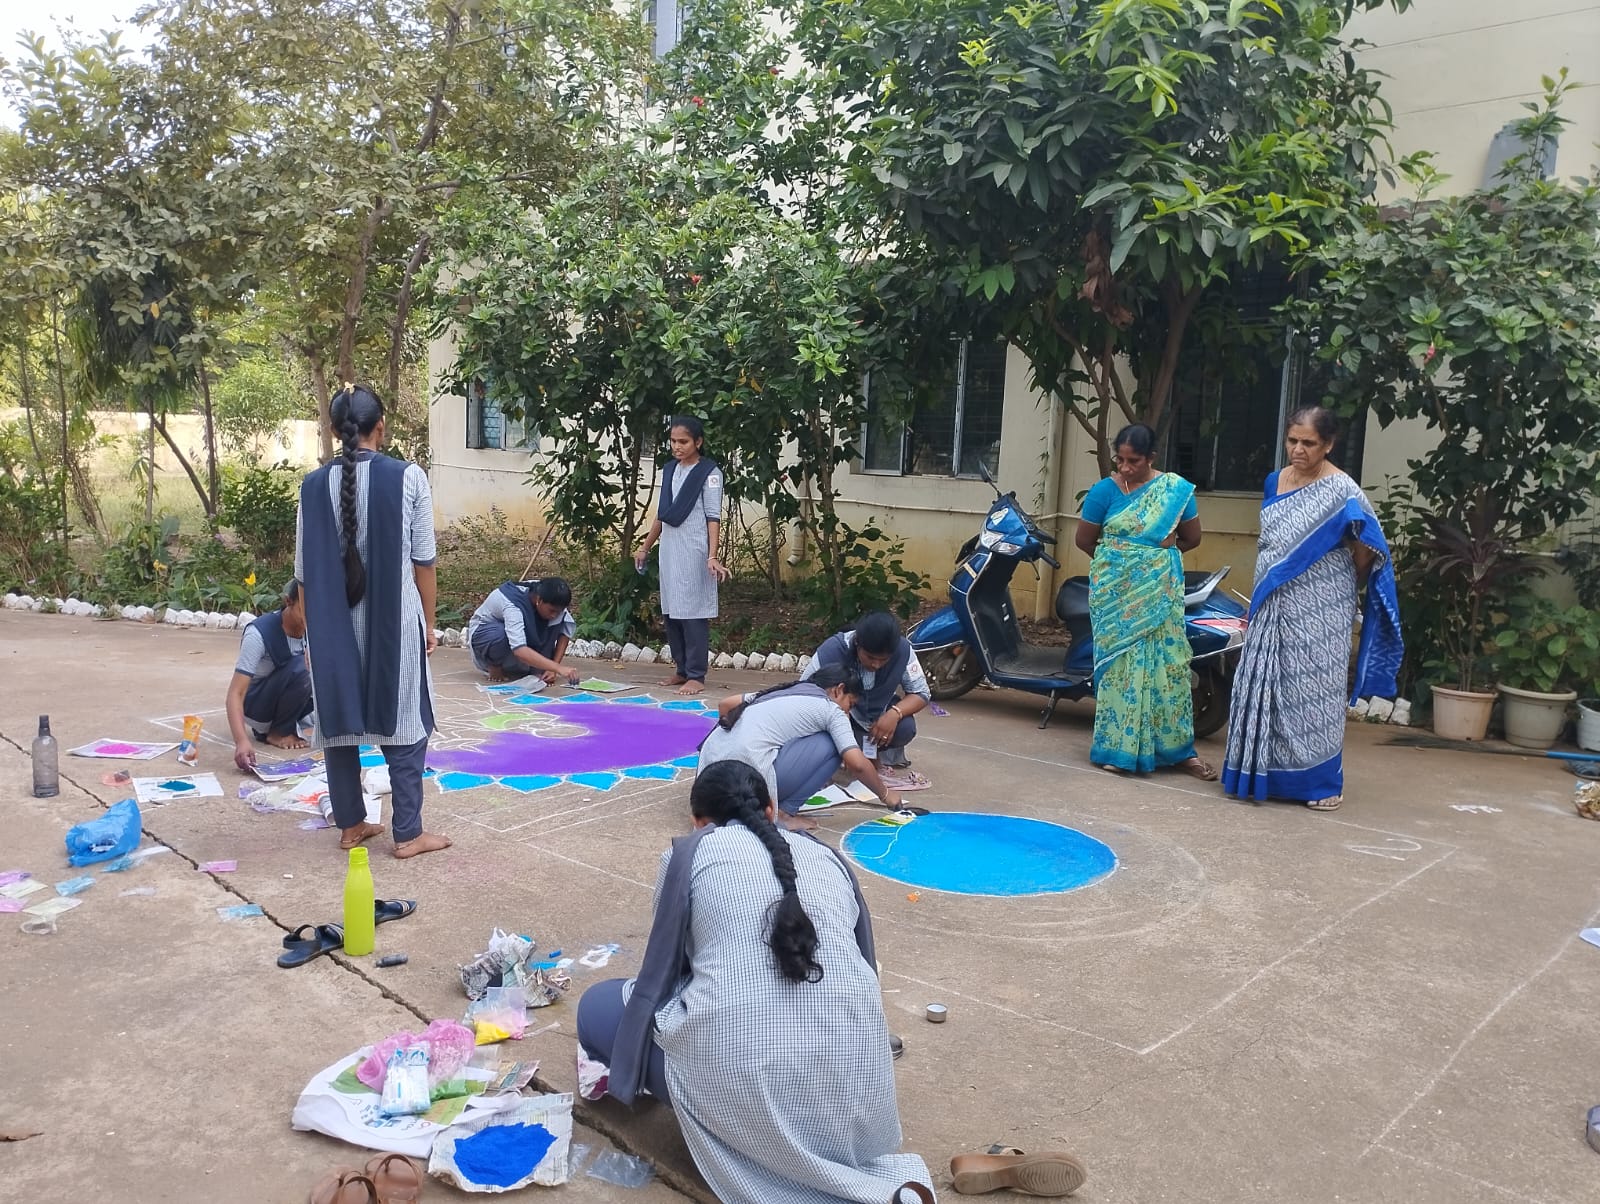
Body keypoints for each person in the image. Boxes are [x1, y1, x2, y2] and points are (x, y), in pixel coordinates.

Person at [574, 759, 936, 1204]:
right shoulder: (829, 857)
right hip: (856, 1090)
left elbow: (665, 975)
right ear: (771, 810)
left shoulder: (688, 855)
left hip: (752, 1078)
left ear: (698, 822)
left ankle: (758, 1137)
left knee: (597, 1008)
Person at [296, 383, 450, 859]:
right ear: (380, 427)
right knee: (405, 721)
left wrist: (313, 635)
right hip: (394, 626)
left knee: (339, 722)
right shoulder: (408, 478)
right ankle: (408, 833)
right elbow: (424, 561)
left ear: (333, 431)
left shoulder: (312, 486)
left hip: (332, 627)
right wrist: (428, 623)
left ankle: (350, 825)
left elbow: (304, 574)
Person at [1222, 406, 1402, 812]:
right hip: (1273, 598)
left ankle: (1320, 783)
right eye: (1292, 441)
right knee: (1267, 681)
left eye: (1309, 443)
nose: (1298, 450)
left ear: (1329, 445)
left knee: (1316, 690)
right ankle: (1260, 773)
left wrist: (1333, 586)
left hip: (1323, 603)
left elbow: (1368, 547)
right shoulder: (1275, 481)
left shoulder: (1343, 490)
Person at [1075, 423, 1214, 779]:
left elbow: (1192, 538)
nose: (1124, 468)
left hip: (1161, 593)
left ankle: (1178, 751)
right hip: (1116, 599)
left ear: (1151, 458)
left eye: (1133, 461)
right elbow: (1085, 541)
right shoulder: (1103, 492)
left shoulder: (1175, 490)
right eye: (1119, 460)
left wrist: (1154, 560)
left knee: (1169, 669)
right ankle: (1118, 749)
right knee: (1121, 672)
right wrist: (1122, 567)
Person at [699, 664, 903, 831]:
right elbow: (857, 764)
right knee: (834, 744)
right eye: (850, 704)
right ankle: (783, 814)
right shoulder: (830, 709)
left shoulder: (783, 691)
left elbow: (725, 704)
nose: (847, 713)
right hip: (744, 787)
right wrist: (886, 795)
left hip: (707, 790)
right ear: (838, 690)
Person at [633, 416, 730, 695]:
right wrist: (645, 547)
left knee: (693, 611)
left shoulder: (710, 473)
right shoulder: (670, 470)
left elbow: (713, 516)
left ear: (698, 442)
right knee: (672, 610)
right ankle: (681, 669)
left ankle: (696, 675)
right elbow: (662, 514)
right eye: (673, 441)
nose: (677, 446)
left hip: (695, 550)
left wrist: (712, 556)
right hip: (671, 550)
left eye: (683, 441)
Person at [803, 611, 932, 791]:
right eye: (870, 657)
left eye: (884, 660)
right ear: (857, 643)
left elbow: (922, 693)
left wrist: (894, 714)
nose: (876, 665)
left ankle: (870, 756)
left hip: (874, 720)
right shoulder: (832, 650)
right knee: (825, 743)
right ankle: (835, 758)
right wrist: (839, 723)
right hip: (836, 720)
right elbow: (804, 694)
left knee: (905, 728)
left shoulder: (903, 649)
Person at [226, 578, 314, 771]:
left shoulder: (312, 628)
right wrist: (241, 741)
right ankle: (278, 732)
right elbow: (235, 693)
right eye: (304, 611)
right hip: (259, 706)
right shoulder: (258, 634)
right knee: (304, 666)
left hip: (294, 700)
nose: (311, 618)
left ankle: (296, 723)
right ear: (288, 601)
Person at [466, 577, 578, 685]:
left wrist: (553, 668)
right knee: (500, 634)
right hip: (486, 635)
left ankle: (536, 666)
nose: (554, 615)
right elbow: (519, 650)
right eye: (552, 611)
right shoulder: (512, 605)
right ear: (539, 600)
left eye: (558, 611)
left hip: (522, 636)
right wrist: (558, 668)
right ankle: (495, 664)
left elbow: (564, 631)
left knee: (541, 673)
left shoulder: (551, 594)